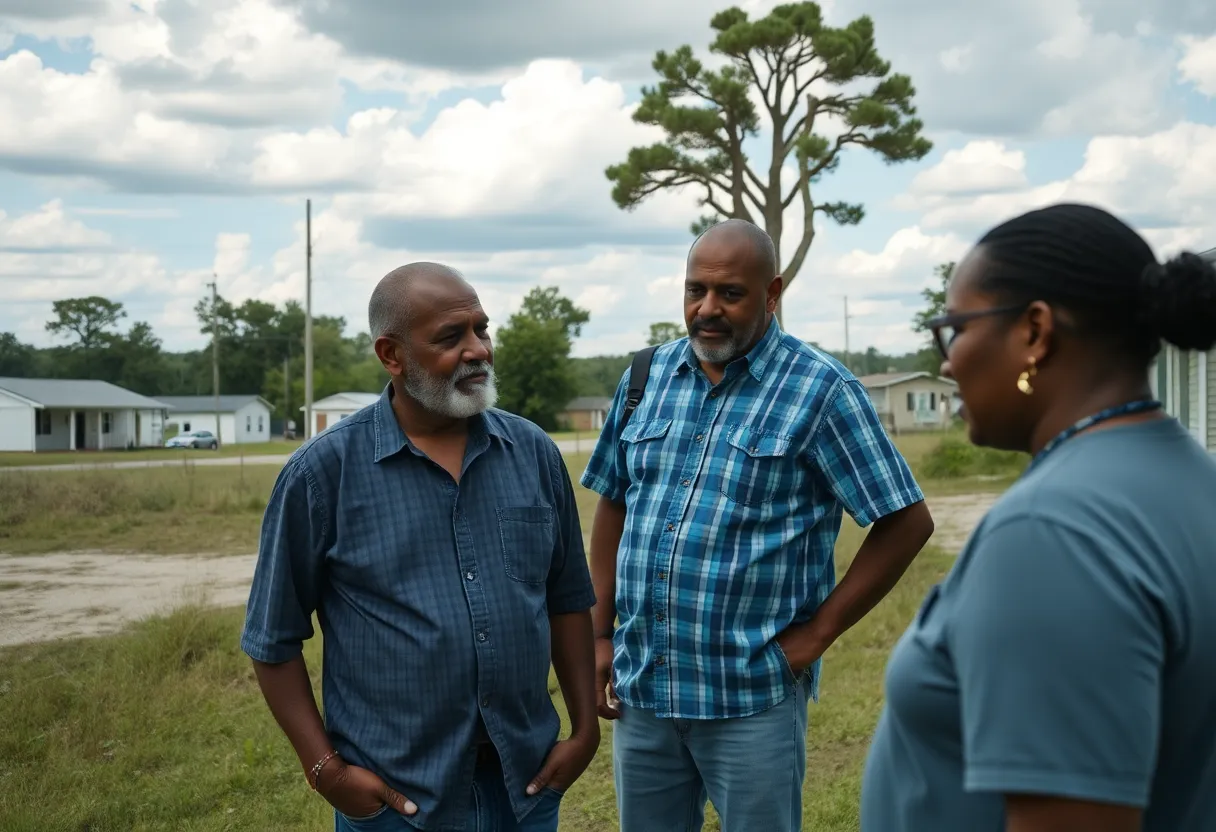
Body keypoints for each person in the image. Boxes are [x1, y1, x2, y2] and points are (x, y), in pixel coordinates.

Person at [860, 203, 1216, 832]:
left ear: (1034, 331)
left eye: (954, 329)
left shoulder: (1053, 533)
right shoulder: (1189, 476)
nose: (946, 361)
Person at [581, 219, 935, 832]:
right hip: (646, 687)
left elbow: (905, 519)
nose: (707, 309)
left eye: (730, 294)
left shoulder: (820, 390)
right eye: (696, 290)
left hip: (751, 695)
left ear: (771, 294)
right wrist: (599, 635)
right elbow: (613, 501)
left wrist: (819, 633)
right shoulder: (645, 378)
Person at [240, 263, 600, 832]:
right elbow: (272, 638)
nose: (478, 349)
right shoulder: (322, 475)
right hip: (398, 803)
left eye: (482, 330)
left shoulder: (531, 452)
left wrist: (584, 731)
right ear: (392, 353)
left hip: (525, 787)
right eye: (450, 338)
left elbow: (567, 598)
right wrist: (326, 771)